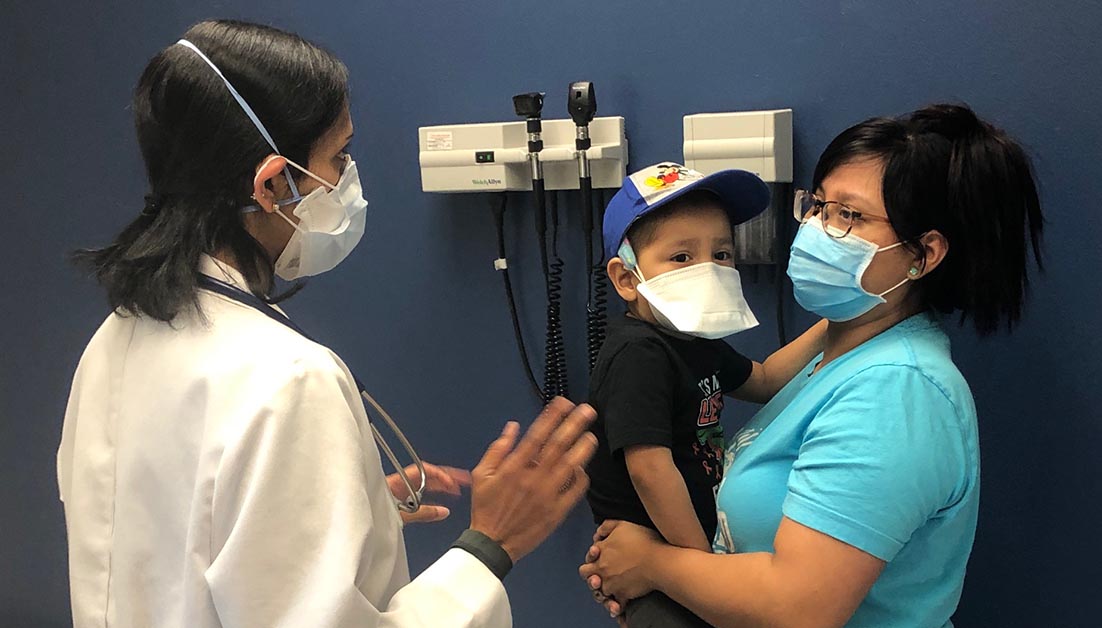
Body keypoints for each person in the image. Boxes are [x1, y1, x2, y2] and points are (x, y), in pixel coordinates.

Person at [58, 20, 596, 628]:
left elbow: (170, 542)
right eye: (337, 156)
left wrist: (344, 505)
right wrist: (489, 547)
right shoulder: (288, 381)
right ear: (272, 184)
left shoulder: (115, 339)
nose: (347, 178)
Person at [580, 103, 1045, 628]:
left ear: (924, 254)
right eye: (820, 206)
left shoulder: (895, 392)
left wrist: (655, 564)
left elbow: (799, 609)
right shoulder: (844, 352)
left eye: (850, 215)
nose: (819, 229)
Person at [585, 163, 828, 626]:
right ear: (626, 279)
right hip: (653, 556)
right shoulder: (640, 352)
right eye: (681, 258)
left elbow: (763, 380)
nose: (709, 270)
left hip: (685, 550)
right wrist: (700, 569)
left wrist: (832, 326)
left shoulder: (695, 341)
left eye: (721, 254)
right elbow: (651, 470)